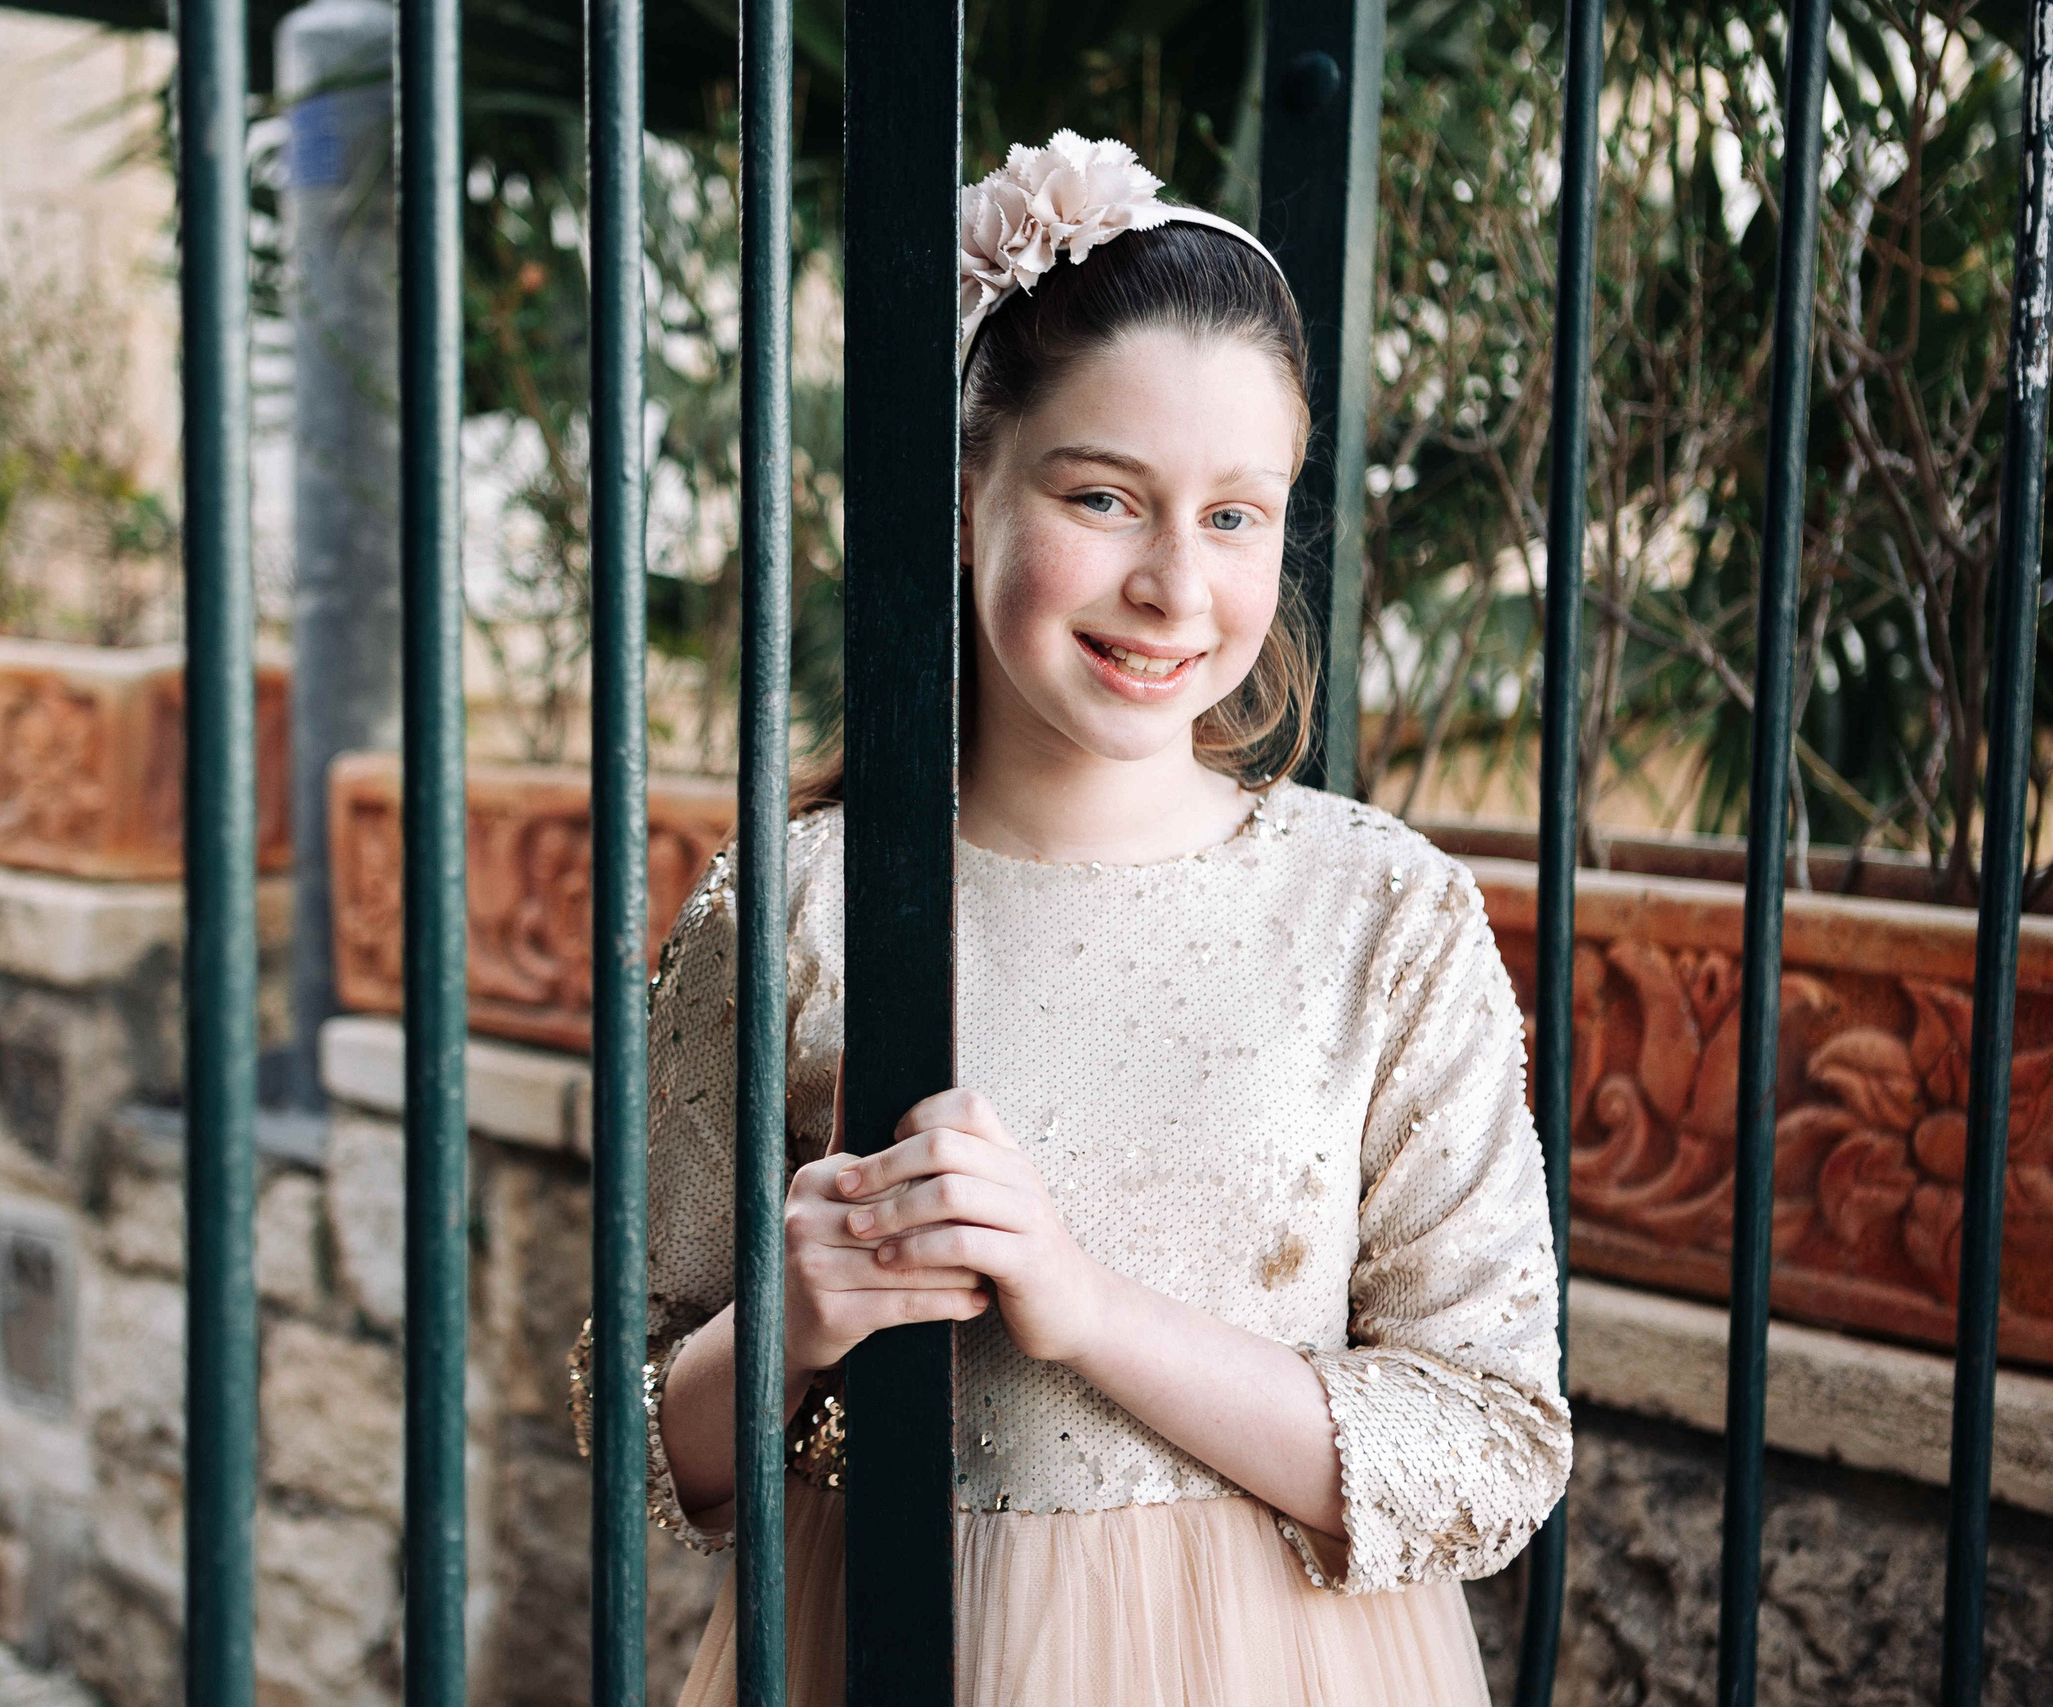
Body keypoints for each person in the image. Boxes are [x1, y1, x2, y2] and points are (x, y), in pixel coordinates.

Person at [573, 130, 1571, 1706]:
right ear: (964, 489)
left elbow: (1494, 1445)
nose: (1176, 585)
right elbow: (635, 1433)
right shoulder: (795, 905)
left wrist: (1089, 1310)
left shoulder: (1383, 915)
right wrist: (789, 1326)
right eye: (1106, 496)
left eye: (1235, 515)